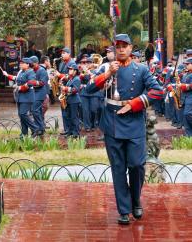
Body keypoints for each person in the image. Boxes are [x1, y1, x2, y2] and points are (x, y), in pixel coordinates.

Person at [86, 34, 163, 224]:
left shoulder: (142, 69)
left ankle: (135, 199)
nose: (120, 49)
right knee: (118, 168)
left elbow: (158, 91)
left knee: (137, 165)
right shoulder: (106, 67)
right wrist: (107, 74)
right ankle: (124, 209)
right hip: (112, 123)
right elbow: (88, 89)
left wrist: (135, 103)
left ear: (130, 48)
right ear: (113, 49)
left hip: (135, 121)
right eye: (117, 46)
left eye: (124, 46)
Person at [4, 58, 39, 137]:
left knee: (23, 114)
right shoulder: (21, 72)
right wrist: (7, 75)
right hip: (20, 96)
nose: (20, 64)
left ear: (27, 64)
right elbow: (16, 79)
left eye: (22, 63)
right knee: (21, 116)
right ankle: (24, 134)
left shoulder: (31, 72)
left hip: (27, 96)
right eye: (20, 63)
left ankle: (35, 128)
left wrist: (19, 88)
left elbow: (30, 83)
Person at [59, 61, 81, 137]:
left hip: (74, 100)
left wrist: (65, 88)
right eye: (69, 69)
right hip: (69, 100)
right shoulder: (70, 79)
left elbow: (75, 90)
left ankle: (76, 133)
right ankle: (70, 131)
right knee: (68, 116)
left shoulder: (76, 79)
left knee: (74, 117)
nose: (69, 71)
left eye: (71, 69)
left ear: (75, 71)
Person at [29, 56, 49, 135]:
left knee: (34, 110)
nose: (30, 65)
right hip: (34, 92)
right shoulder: (32, 70)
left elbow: (42, 83)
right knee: (38, 111)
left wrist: (33, 83)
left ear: (36, 63)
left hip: (40, 93)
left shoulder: (42, 71)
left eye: (32, 63)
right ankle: (40, 129)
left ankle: (39, 127)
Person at [178, 58, 192, 135]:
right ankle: (189, 138)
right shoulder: (186, 74)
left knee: (188, 114)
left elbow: (186, 85)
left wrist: (185, 86)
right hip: (184, 98)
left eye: (188, 64)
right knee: (185, 119)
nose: (186, 65)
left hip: (190, 97)